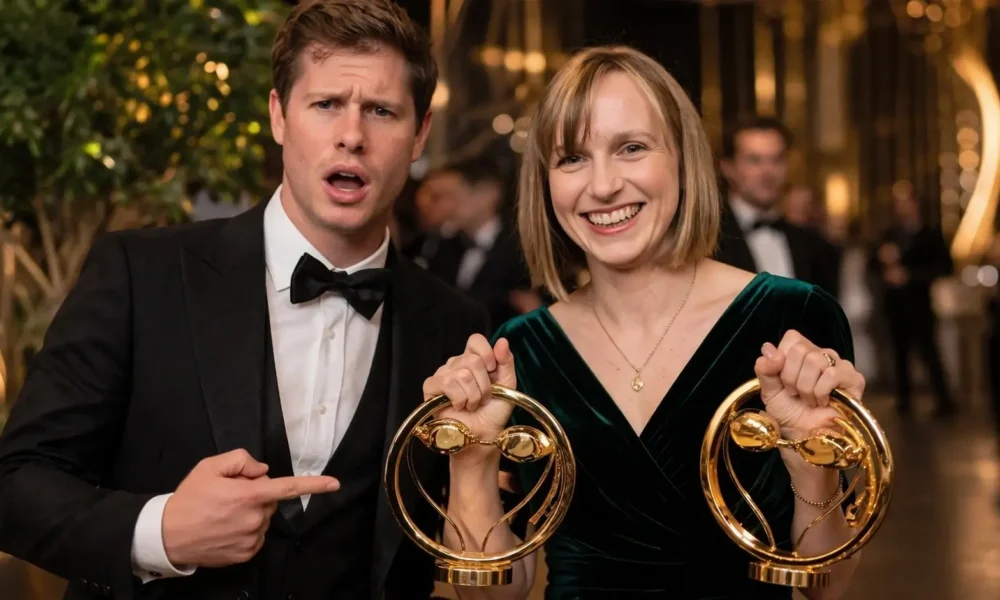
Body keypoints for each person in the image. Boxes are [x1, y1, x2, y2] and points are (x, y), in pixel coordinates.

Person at [0, 2, 487, 600]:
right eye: (326, 104)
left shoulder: (455, 325)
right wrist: (161, 532)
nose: (352, 136)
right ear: (279, 115)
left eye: (381, 111)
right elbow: (15, 485)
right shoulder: (140, 274)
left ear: (420, 134)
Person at [424, 46, 866, 599]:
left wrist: (811, 467)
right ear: (545, 182)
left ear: (683, 157)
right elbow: (494, 595)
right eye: (572, 158)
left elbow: (827, 586)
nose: (603, 185)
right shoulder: (523, 349)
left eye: (631, 148)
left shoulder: (792, 318)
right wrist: (470, 461)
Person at [715, 117, 841, 299]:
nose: (768, 171)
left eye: (777, 160)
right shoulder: (711, 242)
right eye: (754, 160)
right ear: (728, 168)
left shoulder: (814, 246)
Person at [869, 184, 955, 417]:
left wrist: (911, 275)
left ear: (915, 204)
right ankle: (904, 400)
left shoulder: (930, 234)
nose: (901, 207)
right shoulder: (889, 235)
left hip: (920, 304)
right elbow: (872, 265)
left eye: (905, 201)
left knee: (929, 352)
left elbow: (945, 267)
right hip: (895, 306)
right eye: (898, 202)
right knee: (900, 354)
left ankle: (944, 400)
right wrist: (882, 261)